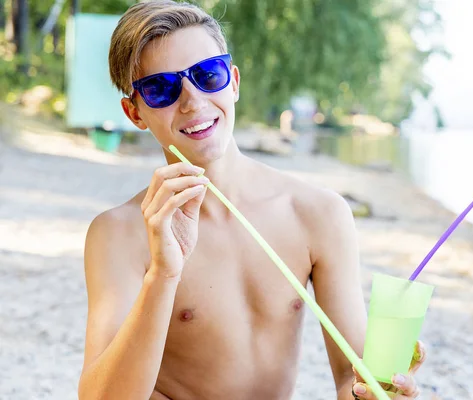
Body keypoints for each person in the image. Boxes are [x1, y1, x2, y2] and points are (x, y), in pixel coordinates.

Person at [78, 1, 427, 399]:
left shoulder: (319, 214)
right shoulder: (119, 234)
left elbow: (352, 379)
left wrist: (380, 389)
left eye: (209, 75)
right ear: (135, 112)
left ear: (234, 82)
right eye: (161, 89)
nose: (192, 101)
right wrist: (163, 274)